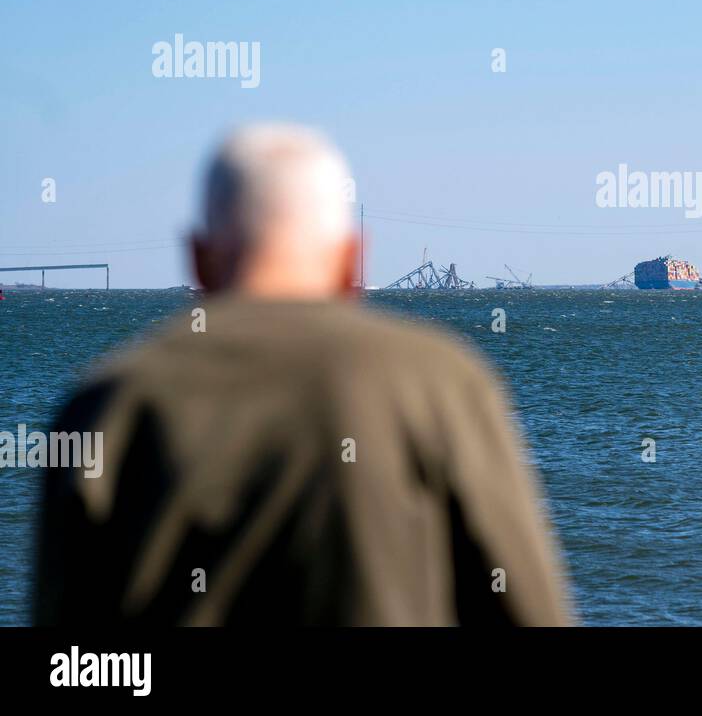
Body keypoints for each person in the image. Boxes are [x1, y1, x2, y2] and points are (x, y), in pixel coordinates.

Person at [35, 124, 572, 625]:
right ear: (352, 261)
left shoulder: (108, 403)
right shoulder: (445, 384)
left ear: (197, 258)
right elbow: (530, 610)